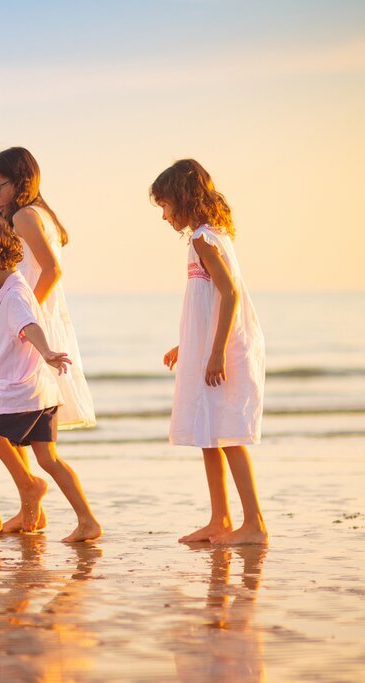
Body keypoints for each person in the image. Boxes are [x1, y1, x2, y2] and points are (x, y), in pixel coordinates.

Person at [0, 146, 97, 535]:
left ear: (22, 182)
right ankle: (33, 500)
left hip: (29, 329)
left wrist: (25, 307)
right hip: (26, 328)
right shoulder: (38, 215)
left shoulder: (25, 215)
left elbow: (52, 269)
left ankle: (27, 490)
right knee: (2, 423)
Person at [152, 159, 268, 546]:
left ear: (184, 199)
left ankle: (254, 524)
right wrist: (188, 344)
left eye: (166, 205)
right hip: (212, 345)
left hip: (225, 349)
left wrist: (215, 353)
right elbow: (207, 303)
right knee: (208, 432)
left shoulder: (204, 237)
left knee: (227, 433)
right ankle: (220, 519)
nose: (165, 215)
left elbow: (230, 293)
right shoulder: (210, 235)